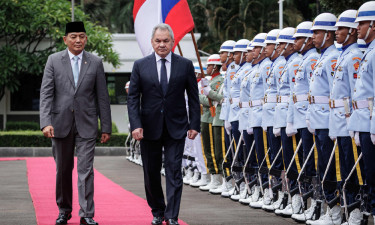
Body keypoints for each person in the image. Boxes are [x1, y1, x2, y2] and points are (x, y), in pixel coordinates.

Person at [39, 21, 111, 225]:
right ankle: (64, 210)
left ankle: (87, 214)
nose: (78, 40)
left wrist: (105, 126)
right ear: (65, 39)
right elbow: (46, 94)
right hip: (60, 124)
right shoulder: (53, 60)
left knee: (85, 170)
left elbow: (102, 97)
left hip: (87, 125)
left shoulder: (95, 62)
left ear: (86, 38)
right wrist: (45, 122)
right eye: (73, 36)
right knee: (62, 170)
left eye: (81, 36)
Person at [127, 23, 200, 225]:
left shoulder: (185, 65)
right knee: (151, 173)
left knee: (174, 171)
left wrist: (194, 124)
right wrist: (135, 125)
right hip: (148, 129)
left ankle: (172, 215)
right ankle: (158, 211)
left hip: (176, 127)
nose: (161, 44)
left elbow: (193, 97)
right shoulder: (140, 65)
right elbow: (133, 98)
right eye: (158, 41)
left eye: (165, 41)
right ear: (152, 42)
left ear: (173, 42)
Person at [305, 13, 340, 225]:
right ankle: (330, 208)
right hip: (319, 120)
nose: (313, 37)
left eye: (317, 33)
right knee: (322, 166)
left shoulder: (333, 57)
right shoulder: (323, 57)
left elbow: (335, 93)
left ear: (328, 34)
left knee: (330, 166)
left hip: (329, 121)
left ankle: (335, 210)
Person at [349, 1, 375, 224]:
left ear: (373, 24)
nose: (357, 27)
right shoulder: (369, 52)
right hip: (364, 123)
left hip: (371, 124)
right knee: (368, 174)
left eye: (362, 23)